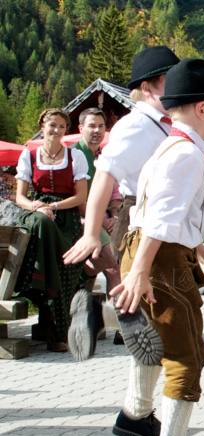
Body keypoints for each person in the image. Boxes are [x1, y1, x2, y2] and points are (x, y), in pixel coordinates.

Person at [109, 58, 204, 436]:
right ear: (201, 109)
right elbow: (162, 221)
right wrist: (144, 271)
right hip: (159, 257)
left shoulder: (172, 146)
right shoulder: (187, 155)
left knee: (158, 341)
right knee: (186, 353)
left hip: (152, 250)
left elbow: (169, 214)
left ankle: (135, 415)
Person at [63, 46, 180, 349]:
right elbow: (104, 174)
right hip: (139, 216)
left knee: (163, 301)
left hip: (162, 217)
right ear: (147, 88)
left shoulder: (165, 125)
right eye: (171, 79)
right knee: (160, 302)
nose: (180, 86)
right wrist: (91, 233)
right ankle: (101, 315)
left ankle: (101, 316)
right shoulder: (135, 124)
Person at [13, 109, 89, 353]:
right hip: (38, 214)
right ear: (42, 126)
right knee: (41, 223)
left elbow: (81, 196)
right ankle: (54, 331)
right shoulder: (29, 155)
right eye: (52, 125)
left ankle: (58, 330)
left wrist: (53, 205)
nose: (56, 130)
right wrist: (37, 206)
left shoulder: (76, 156)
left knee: (65, 270)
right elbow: (19, 197)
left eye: (61, 127)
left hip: (67, 218)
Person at [68, 107, 123, 360]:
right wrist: (102, 220)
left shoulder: (100, 155)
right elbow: (81, 200)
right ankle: (121, 322)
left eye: (101, 126)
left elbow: (111, 192)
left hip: (100, 220)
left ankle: (109, 315)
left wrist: (112, 216)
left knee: (117, 260)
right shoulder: (75, 155)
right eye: (91, 126)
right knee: (112, 264)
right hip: (79, 220)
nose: (97, 131)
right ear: (80, 129)